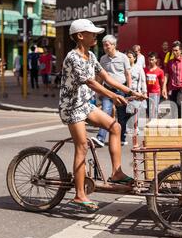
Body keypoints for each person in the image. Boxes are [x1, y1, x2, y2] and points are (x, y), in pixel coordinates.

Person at [59, 18, 145, 212]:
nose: (96, 36)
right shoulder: (73, 57)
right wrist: (113, 96)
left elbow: (106, 77)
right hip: (72, 107)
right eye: (92, 33)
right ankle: (80, 195)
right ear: (80, 36)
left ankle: (116, 173)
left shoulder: (90, 55)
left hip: (85, 105)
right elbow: (91, 82)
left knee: (115, 127)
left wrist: (131, 92)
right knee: (82, 146)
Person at [94, 35, 132, 147]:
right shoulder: (103, 59)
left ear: (114, 45)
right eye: (104, 45)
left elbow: (128, 74)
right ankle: (100, 138)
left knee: (121, 115)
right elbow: (100, 76)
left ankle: (122, 137)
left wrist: (129, 92)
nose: (105, 47)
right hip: (108, 90)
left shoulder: (123, 57)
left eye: (107, 45)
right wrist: (97, 90)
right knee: (105, 112)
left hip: (121, 90)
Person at [162, 41, 182, 118]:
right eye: (173, 50)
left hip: (181, 87)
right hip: (172, 87)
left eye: (176, 50)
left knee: (179, 103)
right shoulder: (169, 62)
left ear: (180, 51)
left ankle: (180, 120)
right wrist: (164, 87)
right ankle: (174, 121)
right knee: (172, 105)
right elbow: (166, 74)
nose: (174, 52)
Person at [126, 50, 147, 144]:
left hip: (136, 92)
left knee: (135, 111)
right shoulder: (124, 68)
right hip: (126, 92)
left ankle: (135, 127)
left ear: (134, 58)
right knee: (128, 111)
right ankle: (130, 127)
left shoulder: (138, 68)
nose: (128, 58)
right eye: (127, 56)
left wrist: (144, 92)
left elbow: (143, 80)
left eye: (130, 57)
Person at [144, 52, 165, 119]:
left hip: (156, 92)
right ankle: (151, 119)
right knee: (147, 109)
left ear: (156, 60)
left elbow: (162, 82)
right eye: (149, 59)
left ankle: (154, 122)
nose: (151, 61)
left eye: (152, 59)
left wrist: (163, 91)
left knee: (154, 109)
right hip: (146, 92)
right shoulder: (144, 70)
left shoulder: (160, 71)